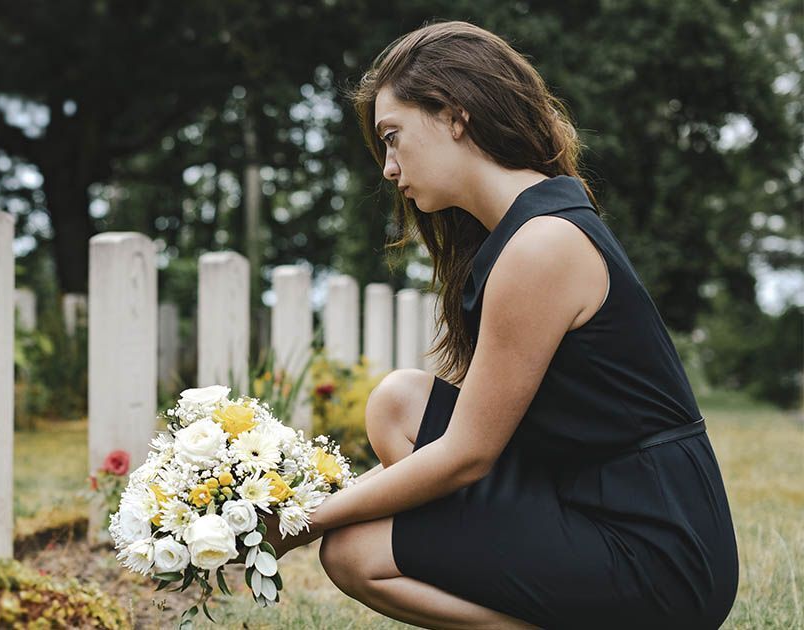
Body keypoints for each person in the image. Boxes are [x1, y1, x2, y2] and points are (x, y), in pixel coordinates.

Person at [261, 20, 739, 629]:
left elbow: (466, 456)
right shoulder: (522, 229)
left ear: (455, 116)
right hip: (584, 495)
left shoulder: (541, 245)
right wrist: (307, 498)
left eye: (393, 137)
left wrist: (308, 520)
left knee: (353, 551)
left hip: (658, 551)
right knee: (399, 403)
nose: (388, 167)